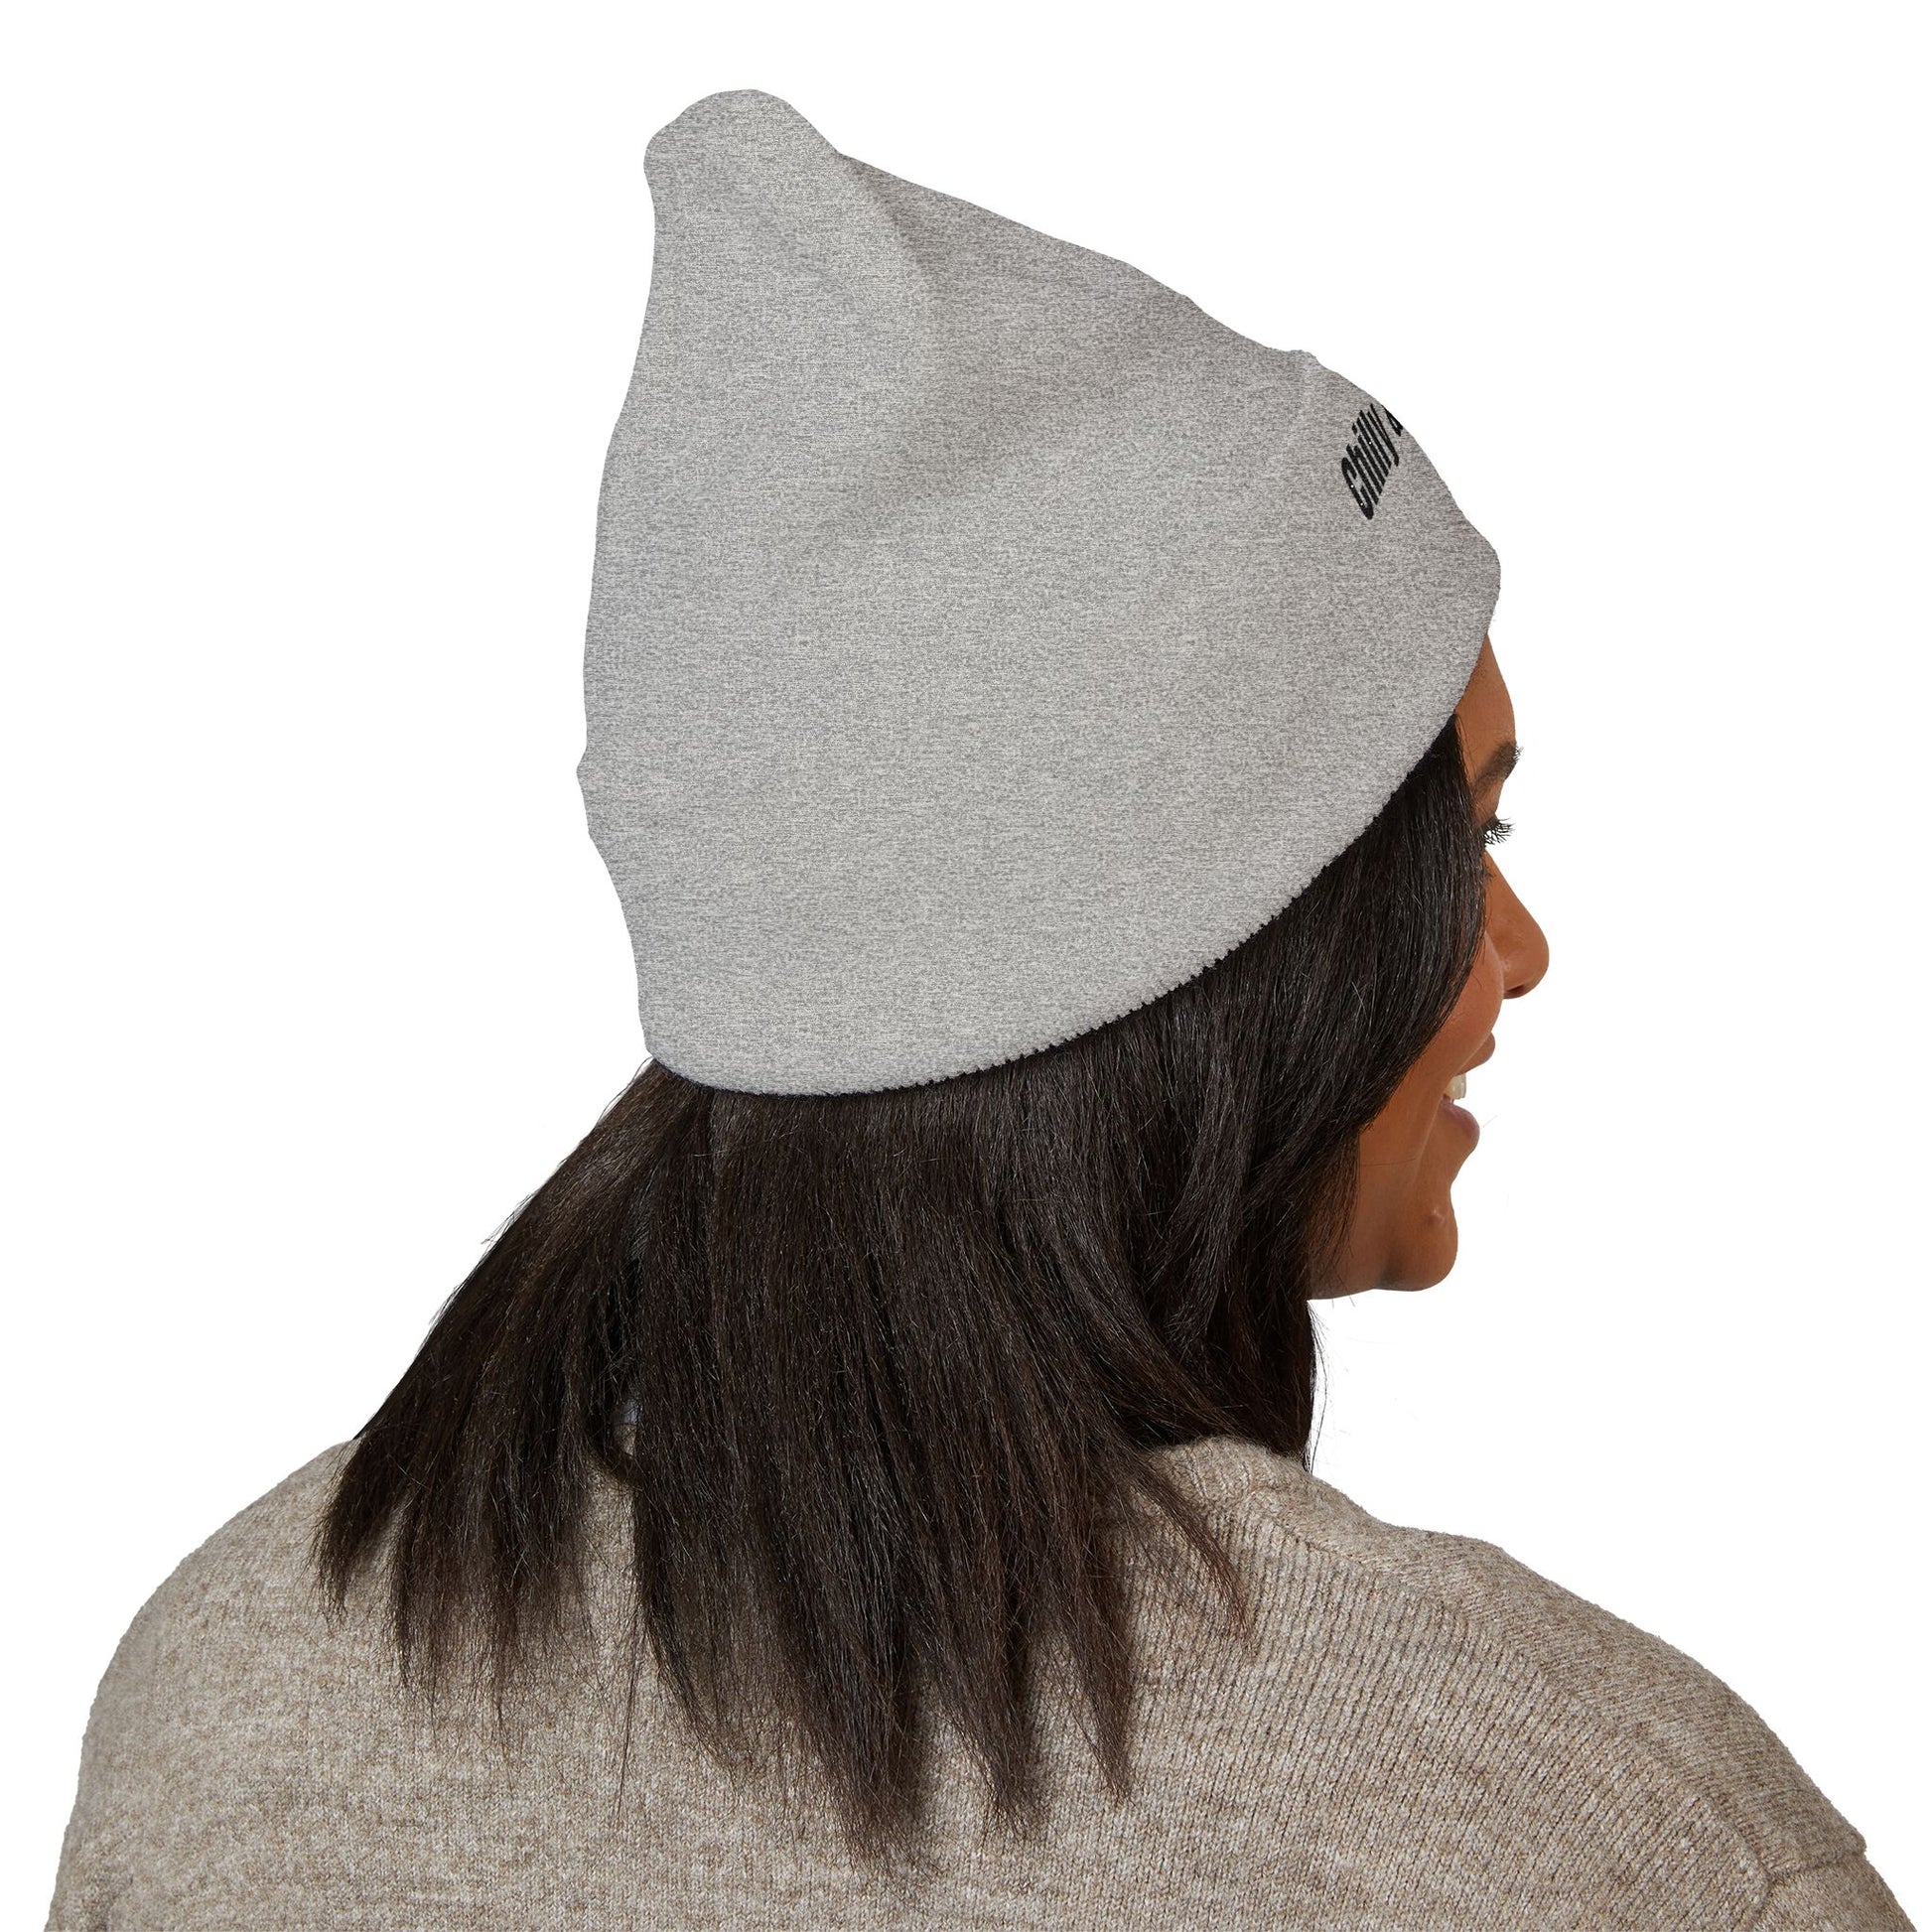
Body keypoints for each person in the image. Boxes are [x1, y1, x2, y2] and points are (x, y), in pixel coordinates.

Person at [46, 90, 1912, 1931]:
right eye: (1461, 843)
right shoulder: (1573, 1828)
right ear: (1212, 947)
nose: (1516, 947)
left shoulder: (225, 1704)